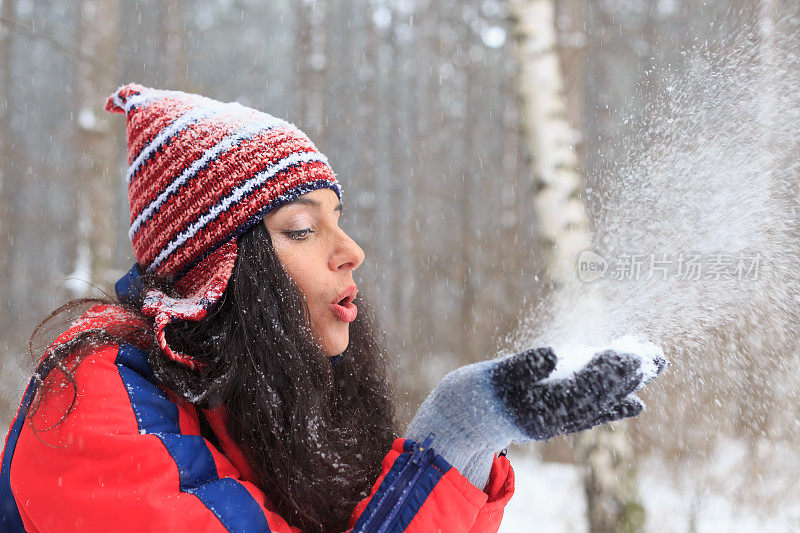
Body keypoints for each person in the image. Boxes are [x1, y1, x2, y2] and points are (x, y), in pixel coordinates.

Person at [0, 84, 666, 532]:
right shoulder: (94, 410)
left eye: (338, 220)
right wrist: (452, 434)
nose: (351, 251)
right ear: (216, 266)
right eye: (301, 229)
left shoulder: (247, 394)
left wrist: (475, 436)